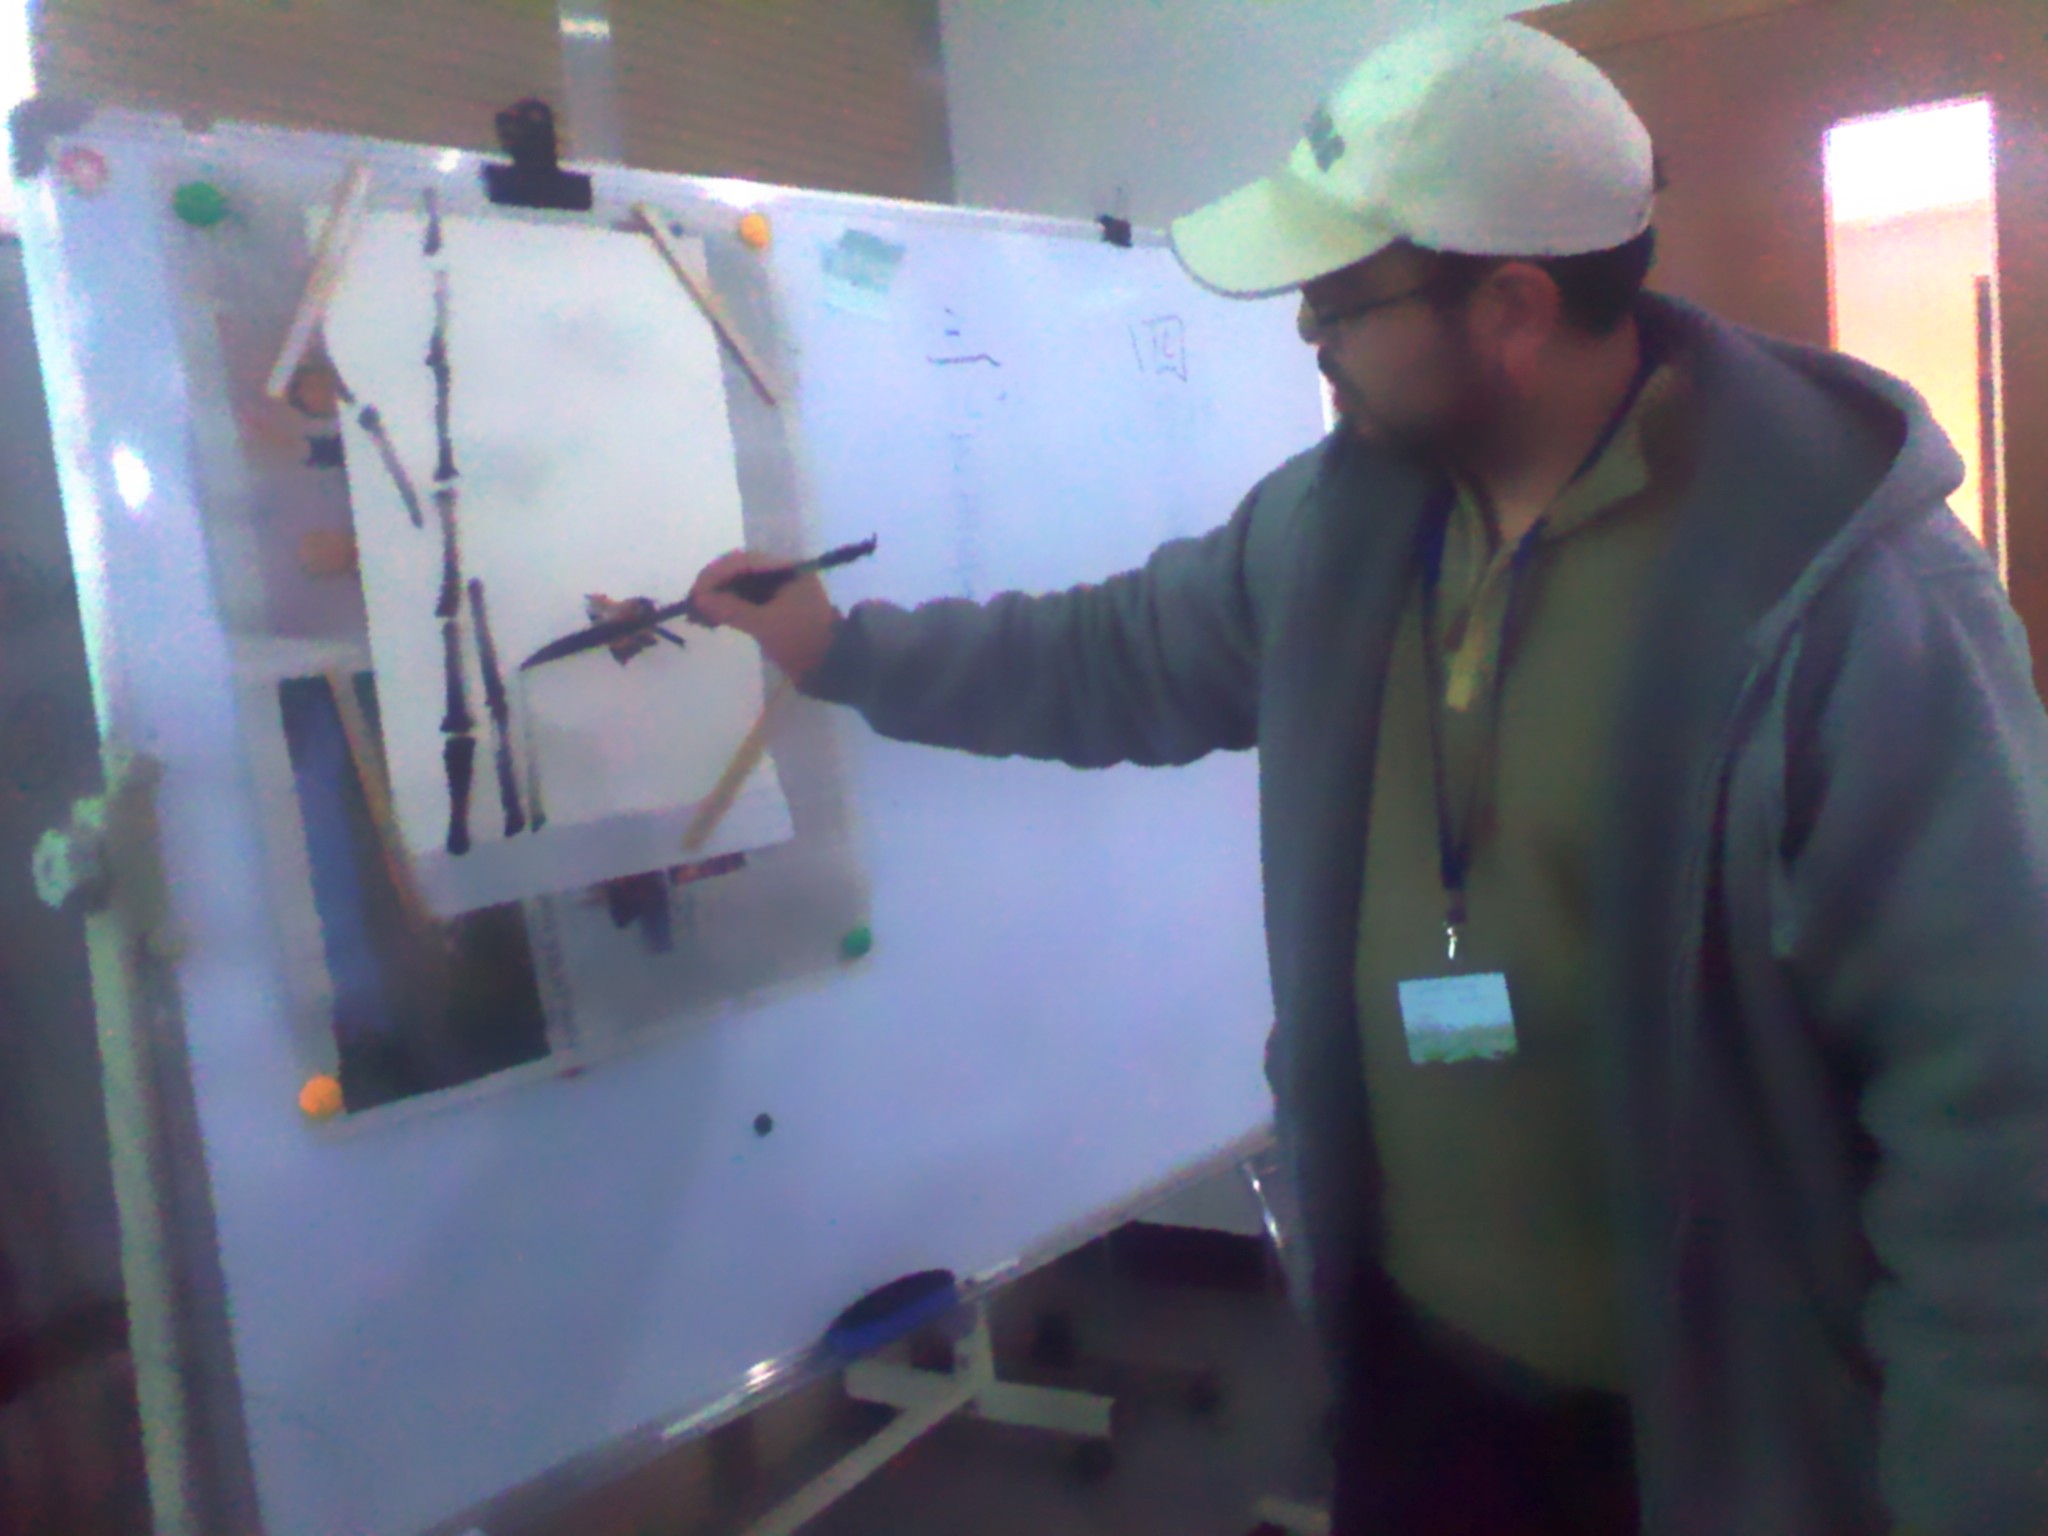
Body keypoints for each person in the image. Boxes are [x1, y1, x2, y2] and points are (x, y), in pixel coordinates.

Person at [691, 17, 2048, 1535]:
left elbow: (1997, 1124)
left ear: (1511, 307)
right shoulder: (1340, 527)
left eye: (1341, 297)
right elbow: (1110, 657)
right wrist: (842, 648)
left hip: (1705, 1443)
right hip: (1407, 1376)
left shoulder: (1849, 604)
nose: (1306, 335)